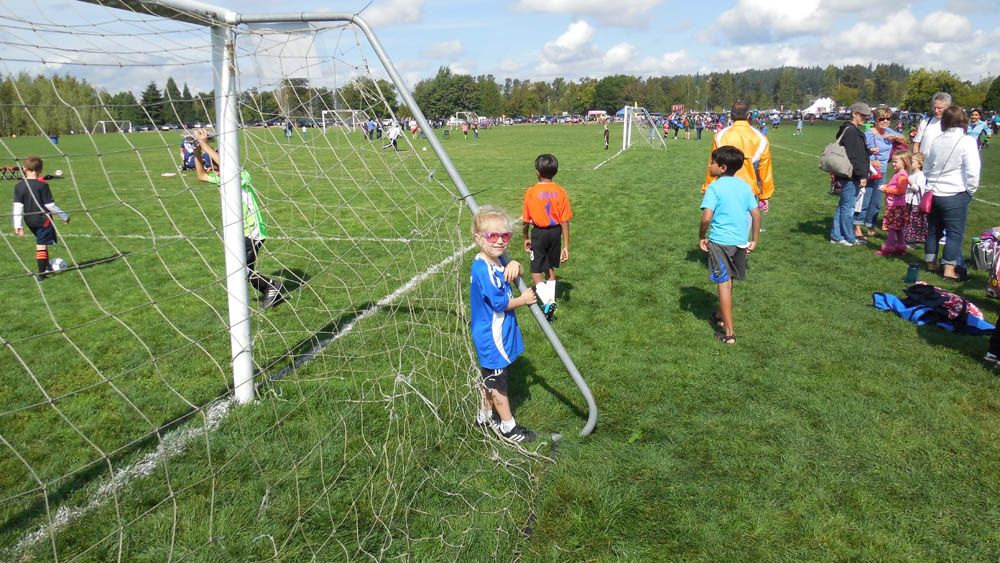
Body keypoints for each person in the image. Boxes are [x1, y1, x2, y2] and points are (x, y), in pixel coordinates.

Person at [192, 129, 284, 308]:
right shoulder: (222, 180)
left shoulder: (241, 175)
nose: (211, 168)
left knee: (241, 269)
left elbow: (228, 168)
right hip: (239, 231)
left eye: (214, 164)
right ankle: (272, 290)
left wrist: (204, 144)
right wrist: (197, 153)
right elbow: (201, 176)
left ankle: (272, 287)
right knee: (241, 268)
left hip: (253, 230)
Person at [469, 205, 537, 443]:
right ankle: (508, 427)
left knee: (490, 377)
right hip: (492, 336)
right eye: (492, 236)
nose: (500, 241)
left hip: (499, 333)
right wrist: (523, 299)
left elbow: (506, 270)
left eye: (505, 236)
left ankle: (485, 415)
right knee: (498, 383)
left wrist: (515, 263)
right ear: (478, 239)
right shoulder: (482, 269)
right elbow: (498, 303)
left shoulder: (495, 262)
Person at [699, 146, 761, 345]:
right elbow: (756, 213)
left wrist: (701, 236)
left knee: (723, 284)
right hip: (740, 241)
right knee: (729, 281)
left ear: (722, 167)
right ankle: (719, 315)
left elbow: (706, 217)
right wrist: (755, 239)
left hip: (720, 242)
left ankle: (729, 333)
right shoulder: (744, 186)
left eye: (713, 163)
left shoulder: (714, 187)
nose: (710, 166)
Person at [923, 106, 981, 282]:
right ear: (962, 120)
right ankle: (949, 270)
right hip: (954, 193)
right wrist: (970, 191)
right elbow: (972, 171)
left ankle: (930, 264)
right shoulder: (967, 141)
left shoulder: (937, 140)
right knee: (954, 233)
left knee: (933, 231)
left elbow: (927, 167)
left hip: (933, 193)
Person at [701, 101, 775, 230]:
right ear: (749, 116)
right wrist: (765, 195)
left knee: (721, 228)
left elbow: (713, 164)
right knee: (742, 233)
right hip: (748, 191)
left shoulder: (721, 136)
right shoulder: (760, 138)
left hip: (723, 189)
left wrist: (707, 188)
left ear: (731, 115)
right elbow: (765, 168)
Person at [521, 154, 572, 322]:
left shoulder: (531, 192)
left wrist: (525, 237)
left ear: (537, 172)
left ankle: (549, 303)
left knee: (536, 271)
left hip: (540, 234)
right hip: (555, 232)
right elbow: (565, 220)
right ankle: (550, 310)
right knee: (549, 268)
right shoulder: (561, 191)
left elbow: (525, 221)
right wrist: (566, 246)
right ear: (555, 172)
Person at [12, 155, 69, 280]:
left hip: (29, 220)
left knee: (42, 242)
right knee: (41, 245)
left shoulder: (19, 186)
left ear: (24, 168)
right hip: (43, 220)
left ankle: (47, 266)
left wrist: (18, 225)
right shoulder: (42, 185)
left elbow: (17, 207)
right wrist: (64, 216)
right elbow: (50, 205)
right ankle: (41, 274)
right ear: (41, 170)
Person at [855, 107, 905, 241]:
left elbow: (904, 139)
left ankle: (871, 226)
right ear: (875, 120)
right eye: (882, 119)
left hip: (882, 171)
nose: (885, 121)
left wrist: (896, 137)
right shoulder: (869, 134)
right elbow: (861, 152)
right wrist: (871, 158)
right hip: (870, 171)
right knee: (865, 200)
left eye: (888, 119)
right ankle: (857, 226)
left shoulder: (889, 132)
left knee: (876, 202)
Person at [829, 103, 872, 246]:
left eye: (867, 116)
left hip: (847, 174)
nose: (865, 119)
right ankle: (848, 237)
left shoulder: (848, 129)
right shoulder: (852, 131)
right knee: (848, 208)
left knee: (843, 206)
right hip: (851, 175)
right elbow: (855, 156)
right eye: (863, 115)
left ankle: (837, 235)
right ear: (854, 114)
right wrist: (862, 176)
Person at [874, 150, 911, 256]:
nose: (893, 164)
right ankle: (900, 246)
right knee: (898, 228)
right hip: (897, 205)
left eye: (896, 162)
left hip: (895, 206)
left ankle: (888, 248)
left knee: (891, 228)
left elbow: (900, 191)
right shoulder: (898, 174)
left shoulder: (902, 176)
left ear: (904, 162)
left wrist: (885, 189)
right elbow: (895, 187)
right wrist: (887, 186)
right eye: (893, 161)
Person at [903, 152, 929, 248]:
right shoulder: (911, 174)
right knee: (907, 220)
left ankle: (911, 240)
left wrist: (910, 183)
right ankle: (906, 239)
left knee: (913, 222)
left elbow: (917, 189)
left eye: (912, 162)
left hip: (916, 203)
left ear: (919, 164)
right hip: (908, 201)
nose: (910, 164)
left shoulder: (920, 175)